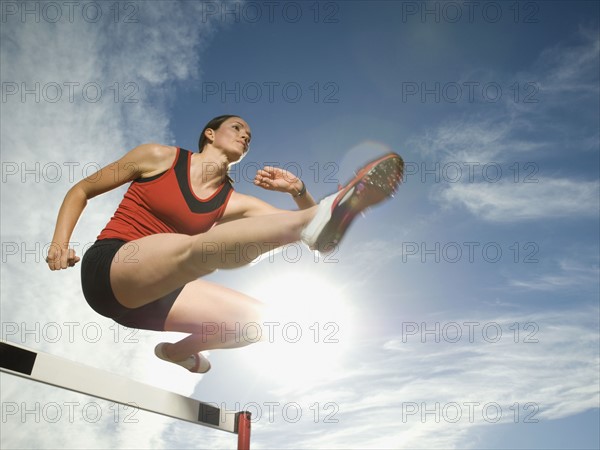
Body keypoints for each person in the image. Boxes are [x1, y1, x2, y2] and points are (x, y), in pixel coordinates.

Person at [47, 115, 403, 373]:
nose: (245, 137)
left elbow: (314, 239)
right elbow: (82, 190)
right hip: (110, 270)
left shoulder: (232, 201)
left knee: (257, 323)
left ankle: (177, 353)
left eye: (250, 136)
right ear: (210, 134)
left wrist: (299, 192)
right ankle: (329, 208)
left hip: (154, 299)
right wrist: (59, 243)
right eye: (238, 128)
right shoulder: (159, 157)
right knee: (196, 249)